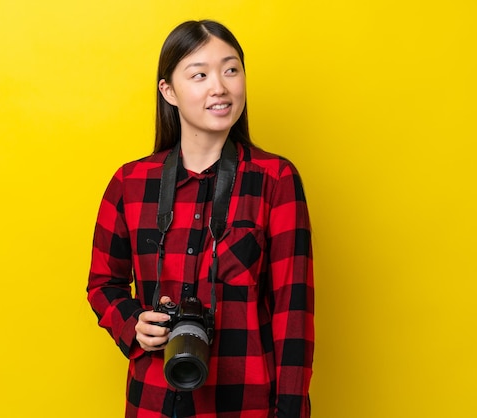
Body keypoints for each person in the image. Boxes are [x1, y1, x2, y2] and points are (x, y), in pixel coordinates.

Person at [87, 19, 314, 418]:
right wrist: (134, 325)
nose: (220, 87)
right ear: (168, 91)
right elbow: (103, 284)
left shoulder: (275, 180)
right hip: (152, 402)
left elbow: (293, 313)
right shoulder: (130, 183)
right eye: (200, 75)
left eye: (231, 69)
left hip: (243, 405)